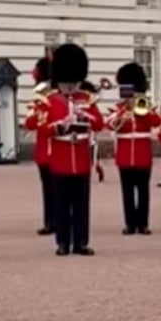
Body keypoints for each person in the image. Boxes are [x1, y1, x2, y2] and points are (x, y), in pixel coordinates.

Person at [44, 44, 103, 256]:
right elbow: (42, 128)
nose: (70, 87)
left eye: (73, 82)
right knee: (60, 204)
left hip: (80, 159)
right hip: (60, 158)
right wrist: (62, 123)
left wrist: (86, 116)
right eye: (66, 83)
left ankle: (80, 242)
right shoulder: (50, 101)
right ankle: (62, 242)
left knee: (81, 204)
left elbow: (99, 124)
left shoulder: (87, 99)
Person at [107, 62, 159, 236]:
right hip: (124, 154)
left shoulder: (145, 105)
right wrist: (123, 112)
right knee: (127, 191)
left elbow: (156, 121)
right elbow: (110, 124)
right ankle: (130, 223)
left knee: (143, 191)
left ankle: (143, 223)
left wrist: (141, 110)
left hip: (142, 153)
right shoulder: (119, 107)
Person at [23, 55, 59, 234]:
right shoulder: (40, 102)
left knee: (60, 190)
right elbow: (29, 124)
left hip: (60, 151)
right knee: (47, 189)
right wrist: (37, 111)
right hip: (45, 152)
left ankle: (60, 221)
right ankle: (50, 221)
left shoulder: (59, 100)